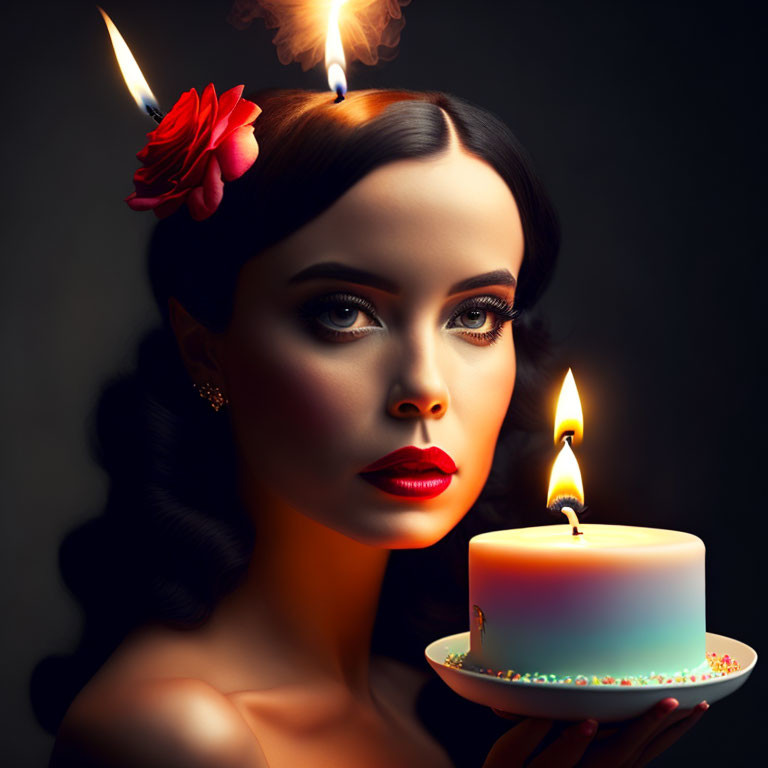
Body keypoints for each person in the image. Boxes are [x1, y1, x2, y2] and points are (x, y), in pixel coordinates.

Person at [33, 89, 708, 767]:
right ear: (204, 347)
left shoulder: (443, 698)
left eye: (475, 314)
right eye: (344, 312)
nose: (425, 388)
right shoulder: (172, 736)